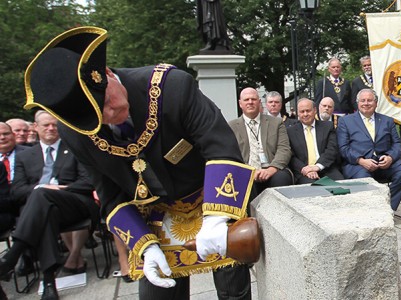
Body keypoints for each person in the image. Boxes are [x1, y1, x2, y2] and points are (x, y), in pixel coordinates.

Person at [23, 26, 255, 299]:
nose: (110, 114)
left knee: (233, 291)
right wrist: (143, 245)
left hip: (212, 197)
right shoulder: (75, 132)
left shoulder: (172, 86)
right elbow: (109, 196)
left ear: (107, 73)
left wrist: (217, 218)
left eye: (106, 101)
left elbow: (222, 148)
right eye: (98, 117)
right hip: (154, 214)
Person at [3, 111, 98, 299]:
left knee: (42, 195)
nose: (51, 128)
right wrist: (42, 188)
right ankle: (48, 282)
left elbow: (88, 182)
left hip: (74, 203)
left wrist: (57, 189)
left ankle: (15, 252)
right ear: (36, 127)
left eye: (54, 124)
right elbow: (17, 191)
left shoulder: (74, 148)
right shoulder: (25, 156)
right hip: (44, 210)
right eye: (45, 125)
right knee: (46, 210)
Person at [337, 89, 401, 210]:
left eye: (369, 100)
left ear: (376, 103)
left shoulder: (388, 120)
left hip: (384, 164)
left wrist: (390, 157)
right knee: (365, 181)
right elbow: (343, 148)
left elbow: (397, 144)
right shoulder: (345, 121)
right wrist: (360, 160)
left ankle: (386, 207)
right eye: (362, 100)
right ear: (357, 103)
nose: (366, 103)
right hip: (358, 165)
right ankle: (374, 209)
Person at [228, 88, 294, 197]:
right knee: (243, 182)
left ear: (259, 102)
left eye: (253, 99)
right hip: (246, 171)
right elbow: (231, 154)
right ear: (240, 104)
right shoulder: (232, 126)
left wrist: (271, 169)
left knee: (282, 178)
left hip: (273, 168)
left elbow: (284, 149)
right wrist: (249, 172)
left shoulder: (276, 122)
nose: (250, 102)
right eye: (246, 99)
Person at [287, 98, 344, 183]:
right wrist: (306, 170)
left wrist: (317, 166)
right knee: (311, 188)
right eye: (302, 112)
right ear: (298, 113)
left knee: (340, 184)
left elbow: (332, 150)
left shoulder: (328, 127)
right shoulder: (290, 131)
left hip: (326, 168)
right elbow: (291, 156)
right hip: (304, 171)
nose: (305, 114)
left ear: (315, 110)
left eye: (308, 111)